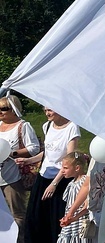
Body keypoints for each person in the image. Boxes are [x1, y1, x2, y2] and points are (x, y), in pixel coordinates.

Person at [20, 108, 80, 243]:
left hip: (61, 179)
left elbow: (69, 159)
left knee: (56, 217)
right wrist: (29, 160)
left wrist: (54, 183)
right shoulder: (46, 126)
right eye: (45, 110)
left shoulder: (72, 127)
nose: (47, 113)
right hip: (43, 177)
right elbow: (47, 153)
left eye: (50, 110)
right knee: (36, 216)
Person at [0, 94, 41, 243]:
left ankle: (20, 239)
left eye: (3, 108)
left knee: (16, 213)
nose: (0, 112)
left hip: (12, 177)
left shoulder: (23, 126)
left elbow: (34, 148)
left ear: (14, 109)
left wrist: (12, 153)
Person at [57, 152, 89, 243]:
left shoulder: (84, 182)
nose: (62, 170)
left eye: (65, 168)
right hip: (70, 223)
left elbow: (86, 205)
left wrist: (75, 217)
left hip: (80, 224)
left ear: (77, 168)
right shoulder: (71, 183)